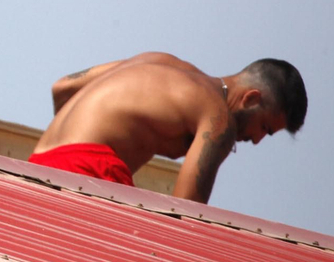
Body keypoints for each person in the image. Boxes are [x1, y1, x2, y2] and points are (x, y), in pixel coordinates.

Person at [28, 52, 307, 203]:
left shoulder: (159, 62)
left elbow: (62, 87)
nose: (257, 140)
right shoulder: (218, 118)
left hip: (38, 162)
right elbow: (186, 211)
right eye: (265, 128)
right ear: (251, 98)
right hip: (91, 172)